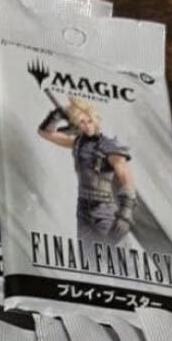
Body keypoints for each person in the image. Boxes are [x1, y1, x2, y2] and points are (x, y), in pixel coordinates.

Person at [36, 90, 135, 243]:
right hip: (83, 208)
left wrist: (125, 212)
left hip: (104, 209)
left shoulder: (109, 146)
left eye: (89, 121)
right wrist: (57, 115)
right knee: (86, 254)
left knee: (112, 253)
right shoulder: (77, 143)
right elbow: (44, 132)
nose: (87, 126)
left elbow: (126, 178)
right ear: (77, 123)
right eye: (82, 122)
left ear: (95, 120)